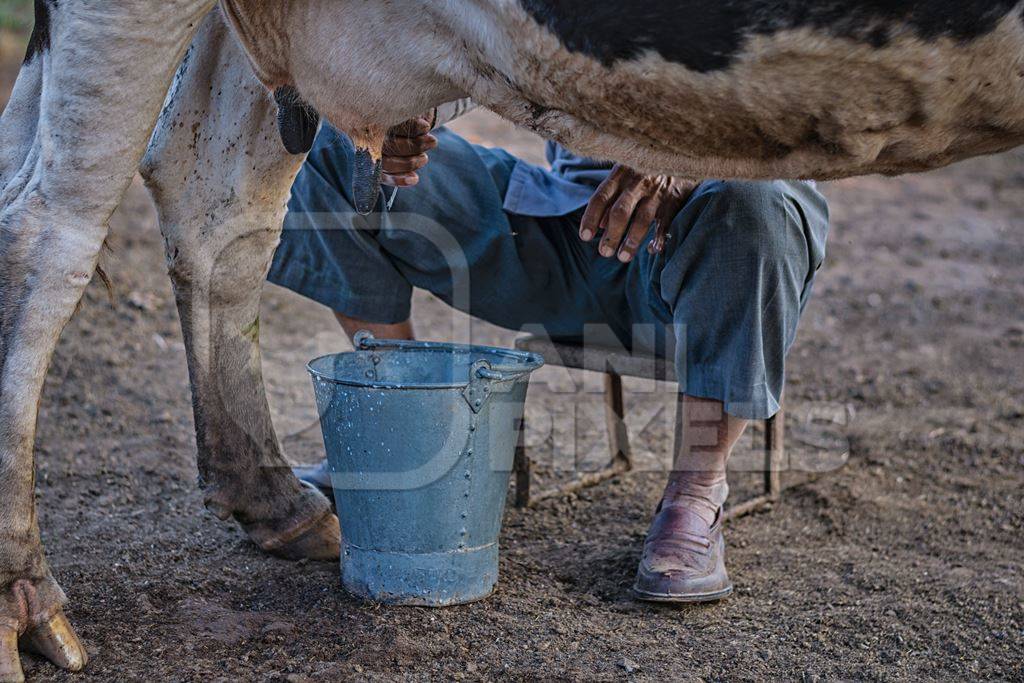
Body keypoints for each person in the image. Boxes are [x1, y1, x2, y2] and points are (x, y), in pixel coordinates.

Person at [268, 103, 829, 603]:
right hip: (567, 222)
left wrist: (684, 161)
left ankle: (696, 494)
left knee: (757, 200)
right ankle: (406, 430)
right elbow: (491, 43)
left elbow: (816, 114)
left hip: (707, 234)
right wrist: (406, 115)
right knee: (338, 140)